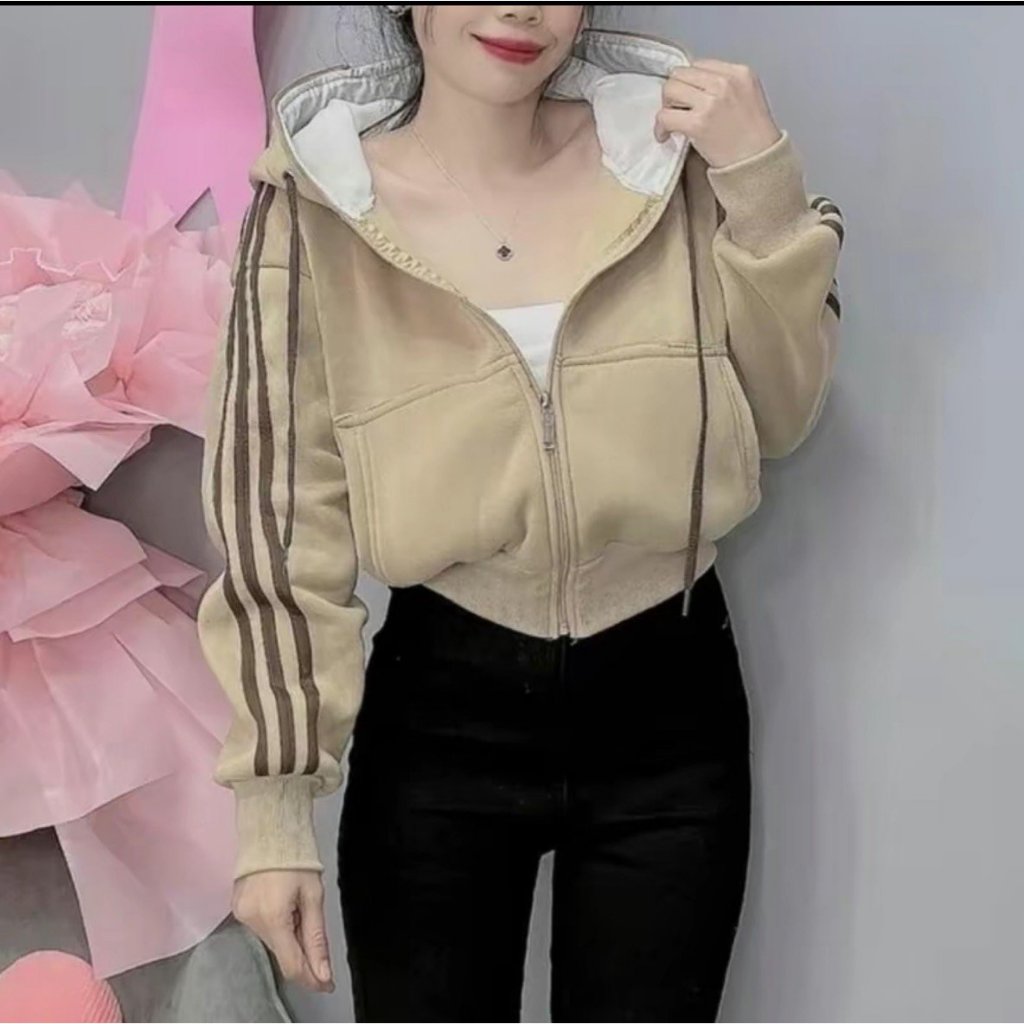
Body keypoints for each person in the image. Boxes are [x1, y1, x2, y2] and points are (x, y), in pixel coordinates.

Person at [195, 4, 845, 1021]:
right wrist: (273, 812)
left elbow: (783, 412)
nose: (519, 9)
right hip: (442, 708)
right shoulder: (317, 206)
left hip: (669, 706)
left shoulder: (668, 165)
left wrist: (761, 185)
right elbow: (277, 516)